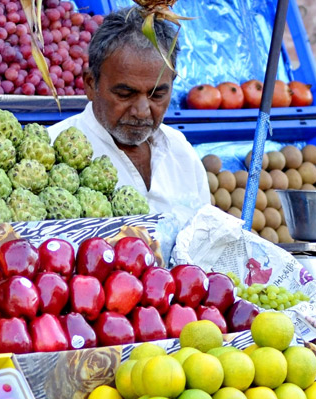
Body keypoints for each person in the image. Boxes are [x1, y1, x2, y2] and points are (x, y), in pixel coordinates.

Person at [50, 6, 209, 236]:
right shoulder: (50, 151)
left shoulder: (181, 152)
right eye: (125, 94)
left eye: (157, 95)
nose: (142, 111)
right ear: (90, 84)